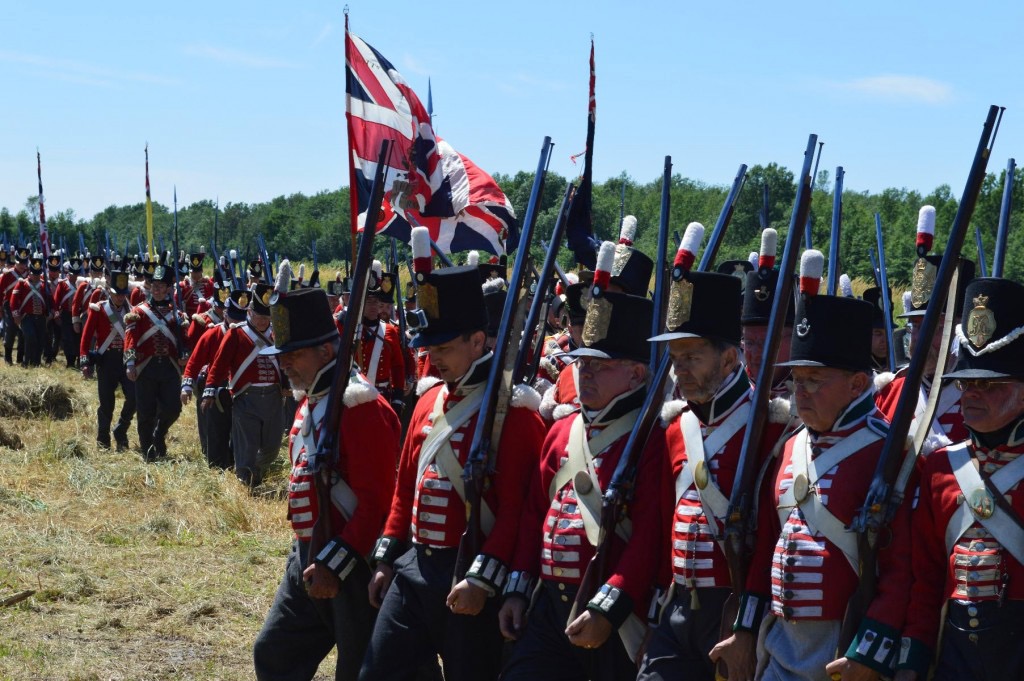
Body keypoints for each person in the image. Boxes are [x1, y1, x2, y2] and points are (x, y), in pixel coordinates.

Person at [711, 250, 912, 681]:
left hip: (844, 643)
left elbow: (902, 571)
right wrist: (746, 629)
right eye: (797, 380)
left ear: (858, 383)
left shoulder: (890, 453)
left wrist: (870, 651)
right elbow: (767, 546)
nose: (799, 392)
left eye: (814, 381)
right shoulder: (790, 448)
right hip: (781, 641)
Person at [359, 228, 546, 681]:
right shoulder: (426, 402)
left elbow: (517, 513)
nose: (433, 359)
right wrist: (387, 556)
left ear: (479, 342)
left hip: (472, 568)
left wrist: (482, 580)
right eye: (430, 348)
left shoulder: (514, 414)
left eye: (444, 348)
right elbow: (406, 489)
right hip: (414, 565)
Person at [499, 250, 669, 681]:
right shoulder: (561, 432)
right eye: (582, 363)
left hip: (612, 612)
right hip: (546, 607)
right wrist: (519, 588)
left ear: (636, 374)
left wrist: (610, 606)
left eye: (599, 365)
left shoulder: (652, 440)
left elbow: (648, 537)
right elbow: (535, 515)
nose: (584, 374)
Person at [638, 243, 790, 681]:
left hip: (735, 609)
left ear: (728, 358)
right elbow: (664, 525)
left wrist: (747, 628)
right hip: (677, 607)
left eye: (692, 357)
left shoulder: (771, 428)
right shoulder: (675, 428)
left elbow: (771, 540)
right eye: (676, 357)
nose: (679, 369)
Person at [252, 276, 400, 681]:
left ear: (325, 349)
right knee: (274, 653)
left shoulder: (360, 405)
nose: (284, 363)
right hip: (306, 554)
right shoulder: (311, 403)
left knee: (359, 670)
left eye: (293, 354)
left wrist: (335, 562)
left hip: (351, 562)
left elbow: (379, 502)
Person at [895, 276, 1024, 680]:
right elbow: (927, 578)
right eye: (966, 383)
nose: (971, 394)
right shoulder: (941, 468)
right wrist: (913, 657)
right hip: (954, 653)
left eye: (987, 384)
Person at [876, 206, 976, 452]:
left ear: (959, 330)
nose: (918, 339)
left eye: (934, 327)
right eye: (915, 327)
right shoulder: (890, 391)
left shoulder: (979, 394)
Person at [203, 281, 282, 487]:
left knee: (273, 447)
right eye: (259, 316)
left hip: (274, 397)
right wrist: (210, 390)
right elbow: (219, 365)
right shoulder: (237, 333)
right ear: (250, 313)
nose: (263, 321)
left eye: (267, 317)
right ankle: (245, 481)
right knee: (246, 445)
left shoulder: (277, 334)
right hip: (246, 397)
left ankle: (254, 470)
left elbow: (285, 362)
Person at [123, 261, 189, 461]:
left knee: (173, 408)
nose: (157, 289)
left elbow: (184, 341)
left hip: (169, 368)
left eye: (162, 286)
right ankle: (148, 451)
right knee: (145, 411)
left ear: (169, 288)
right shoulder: (139, 312)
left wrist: (185, 352)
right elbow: (130, 338)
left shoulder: (177, 314)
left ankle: (159, 434)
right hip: (146, 367)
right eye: (154, 285)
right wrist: (130, 363)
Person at [181, 286, 245, 469]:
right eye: (234, 318)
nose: (237, 323)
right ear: (225, 314)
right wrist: (186, 386)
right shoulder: (212, 334)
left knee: (239, 429)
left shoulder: (247, 335)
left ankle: (235, 462)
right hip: (214, 387)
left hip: (239, 387)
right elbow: (194, 362)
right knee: (215, 430)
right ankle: (217, 467)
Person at [79, 269, 136, 451]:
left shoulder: (133, 311)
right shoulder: (99, 309)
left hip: (126, 359)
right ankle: (103, 440)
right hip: (106, 359)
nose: (120, 298)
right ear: (109, 292)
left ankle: (120, 430)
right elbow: (86, 337)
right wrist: (85, 361)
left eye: (123, 295)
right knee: (106, 404)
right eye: (116, 294)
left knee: (134, 398)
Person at [9, 255, 51, 367]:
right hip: (27, 317)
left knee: (40, 340)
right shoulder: (22, 283)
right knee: (30, 337)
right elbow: (13, 301)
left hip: (41, 317)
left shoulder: (44, 284)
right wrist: (16, 315)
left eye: (38, 274)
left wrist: (51, 313)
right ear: (30, 272)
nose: (36, 276)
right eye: (34, 273)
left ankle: (36, 362)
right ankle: (26, 361)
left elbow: (51, 301)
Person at [1, 247, 30, 366]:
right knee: (10, 329)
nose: (22, 265)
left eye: (24, 263)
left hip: (23, 305)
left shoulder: (29, 273)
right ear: (16, 262)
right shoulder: (8, 274)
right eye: (20, 263)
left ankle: (20, 358)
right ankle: (8, 357)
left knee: (23, 331)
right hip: (9, 305)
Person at [52, 256, 82, 369]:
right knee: (67, 339)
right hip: (66, 315)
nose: (74, 276)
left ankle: (79, 360)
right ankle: (70, 362)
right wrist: (56, 315)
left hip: (78, 316)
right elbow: (56, 302)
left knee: (77, 339)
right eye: (72, 274)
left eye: (76, 274)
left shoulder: (83, 285)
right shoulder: (63, 284)